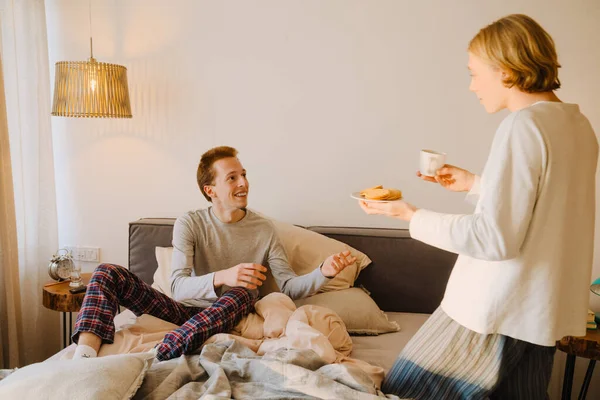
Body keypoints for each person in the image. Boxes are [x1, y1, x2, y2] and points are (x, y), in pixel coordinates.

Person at [359, 14, 598, 399]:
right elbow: (550, 208)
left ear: (505, 71)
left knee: (405, 392)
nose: (471, 87)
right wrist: (475, 183)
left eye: (474, 73)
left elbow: (494, 238)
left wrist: (409, 215)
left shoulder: (522, 126)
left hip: (495, 310)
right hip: (538, 313)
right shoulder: (577, 125)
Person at [72, 145, 356, 361]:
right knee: (106, 272)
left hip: (228, 315)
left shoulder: (264, 229)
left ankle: (162, 352)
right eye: (232, 178)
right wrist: (224, 275)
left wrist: (323, 273)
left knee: (245, 292)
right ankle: (82, 359)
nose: (243, 183)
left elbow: (288, 286)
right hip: (181, 311)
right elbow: (178, 287)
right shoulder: (191, 223)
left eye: (243, 175)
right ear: (211, 190)